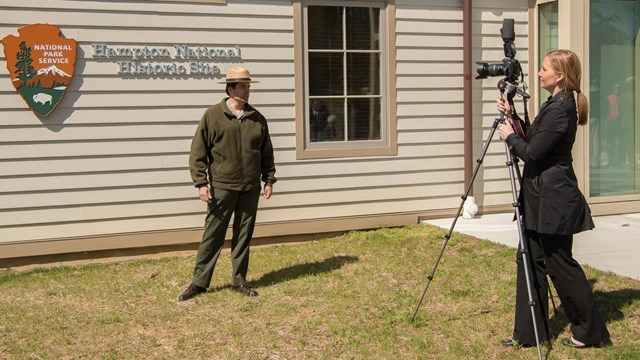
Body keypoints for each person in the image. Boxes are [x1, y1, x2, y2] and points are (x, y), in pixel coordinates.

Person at [497, 50, 611, 348]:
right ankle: (530, 333)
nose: (539, 73)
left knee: (560, 265)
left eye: (544, 69)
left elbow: (531, 153)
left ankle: (591, 333)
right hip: (539, 197)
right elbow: (535, 139)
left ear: (559, 76)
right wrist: (513, 118)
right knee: (529, 260)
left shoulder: (561, 109)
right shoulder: (554, 105)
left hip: (554, 199)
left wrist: (509, 136)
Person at [178, 66, 277, 301]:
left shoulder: (257, 119)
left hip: (250, 188)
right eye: (243, 86)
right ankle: (199, 283)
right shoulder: (212, 116)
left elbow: (266, 153)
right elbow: (198, 152)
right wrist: (201, 183)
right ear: (230, 88)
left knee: (244, 235)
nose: (247, 90)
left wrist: (269, 179)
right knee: (213, 235)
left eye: (249, 86)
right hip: (222, 187)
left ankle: (240, 280)